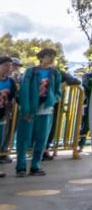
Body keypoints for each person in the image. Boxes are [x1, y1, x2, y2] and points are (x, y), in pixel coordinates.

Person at [15, 48, 64, 177]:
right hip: (30, 109)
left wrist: (53, 100)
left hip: (46, 110)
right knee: (24, 139)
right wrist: (26, 108)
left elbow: (58, 91)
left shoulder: (55, 73)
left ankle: (35, 166)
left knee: (42, 139)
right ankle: (21, 167)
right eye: (48, 55)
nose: (51, 58)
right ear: (41, 57)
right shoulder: (31, 71)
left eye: (53, 56)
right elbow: (24, 90)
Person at [0, 57, 17, 174]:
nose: (8, 68)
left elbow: (13, 97)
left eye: (10, 66)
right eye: (5, 65)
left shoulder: (10, 82)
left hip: (3, 116)